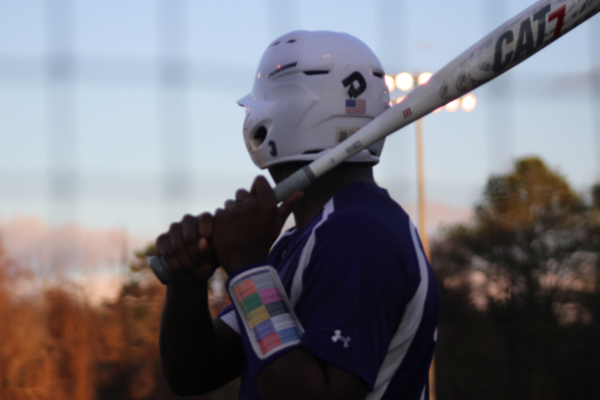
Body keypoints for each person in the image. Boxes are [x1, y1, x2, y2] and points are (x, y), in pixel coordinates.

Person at [155, 30, 439, 400]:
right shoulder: (300, 240)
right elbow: (194, 374)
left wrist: (247, 266)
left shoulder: (359, 234)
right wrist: (187, 283)